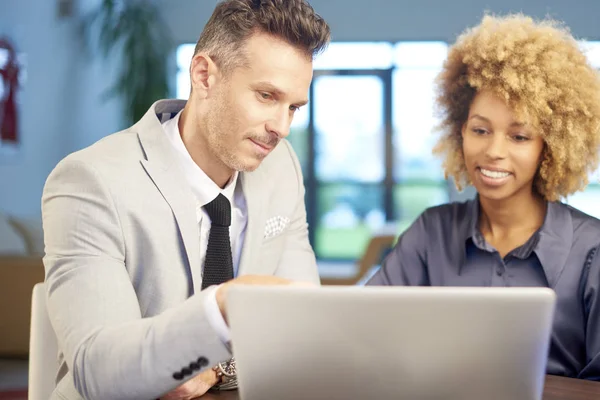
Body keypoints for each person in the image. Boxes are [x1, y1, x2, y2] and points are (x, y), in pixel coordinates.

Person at [41, 0, 330, 398]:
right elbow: (102, 372)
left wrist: (213, 369)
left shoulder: (282, 169)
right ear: (203, 75)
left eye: (294, 107)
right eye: (266, 96)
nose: (281, 128)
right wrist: (222, 307)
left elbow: (305, 332)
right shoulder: (90, 181)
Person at [367, 14, 600, 381]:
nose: (493, 151)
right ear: (461, 132)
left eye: (519, 136)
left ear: (549, 147)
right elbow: (365, 331)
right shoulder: (431, 233)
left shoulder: (592, 251)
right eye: (480, 130)